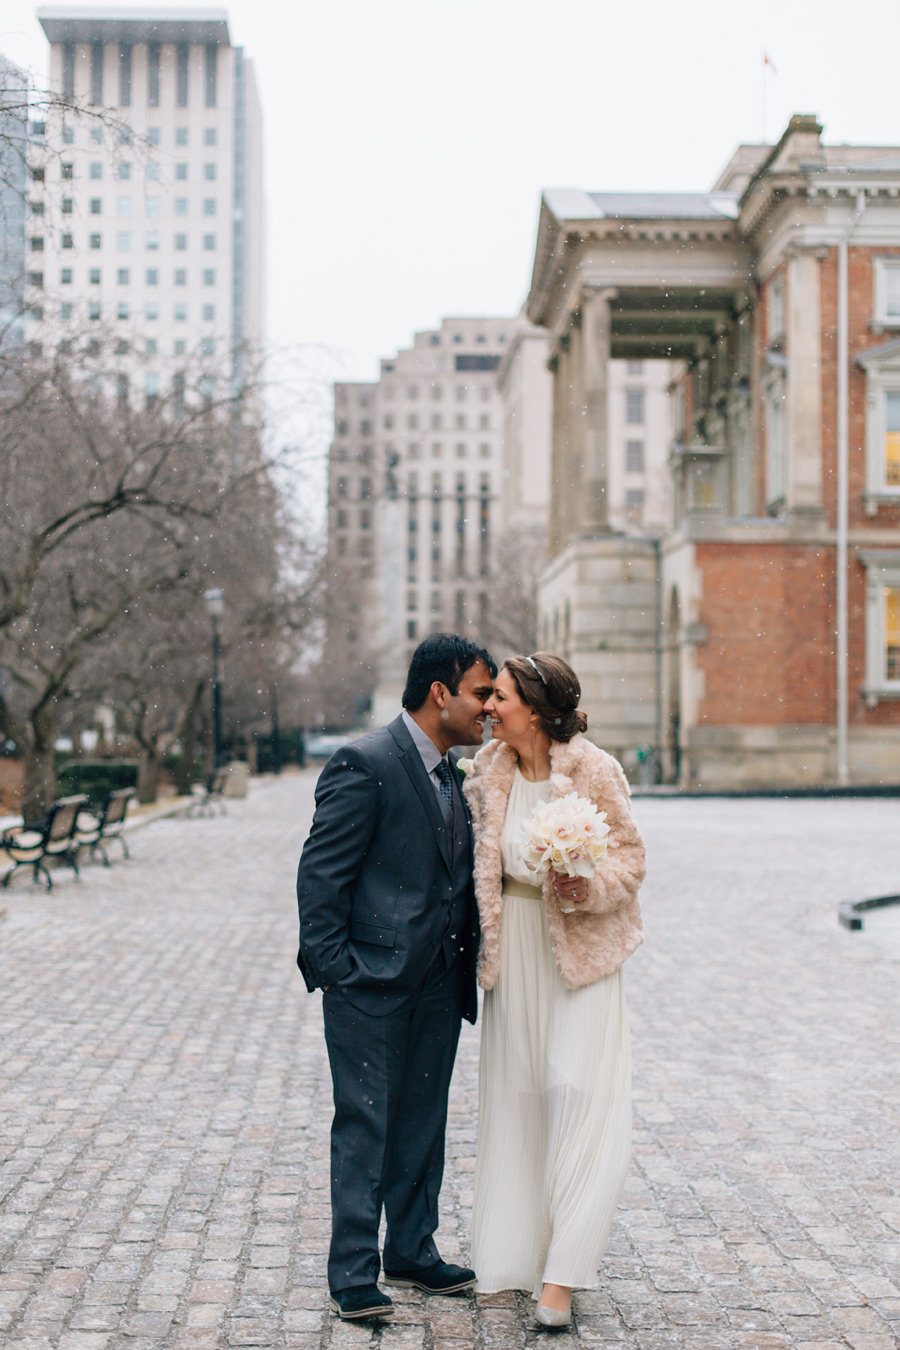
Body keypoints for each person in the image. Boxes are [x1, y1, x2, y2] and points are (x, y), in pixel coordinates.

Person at [296, 633, 496, 1322]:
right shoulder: (365, 761)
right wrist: (339, 972)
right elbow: (322, 877)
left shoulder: (454, 773)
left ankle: (410, 1249)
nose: (488, 708)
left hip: (439, 981)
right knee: (366, 1123)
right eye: (479, 693)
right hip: (370, 986)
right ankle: (353, 1272)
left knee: (421, 1123)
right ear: (439, 692)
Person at [462, 652, 645, 1327]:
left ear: (534, 709)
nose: (487, 707)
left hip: (582, 955)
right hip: (514, 962)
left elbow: (631, 858)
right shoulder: (487, 773)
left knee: (579, 1098)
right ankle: (521, 1252)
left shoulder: (593, 769)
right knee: (520, 1104)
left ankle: (563, 1279)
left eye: (500, 697)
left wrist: (585, 885)